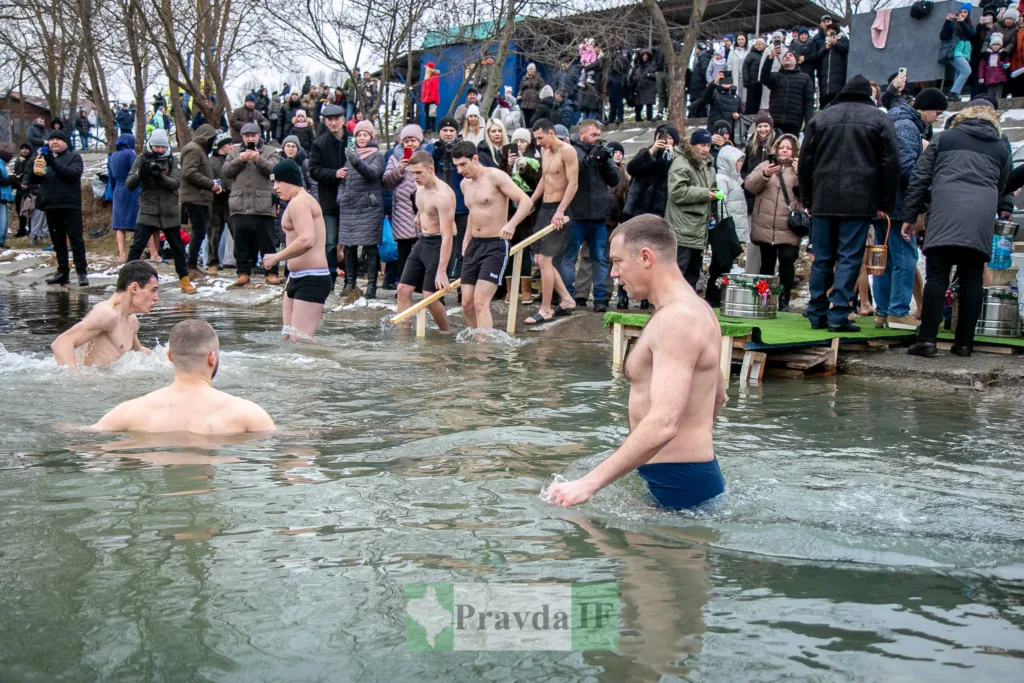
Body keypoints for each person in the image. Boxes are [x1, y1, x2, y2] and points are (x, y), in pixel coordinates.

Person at [544, 215, 726, 510]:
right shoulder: (698, 310)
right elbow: (717, 397)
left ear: (645, 257)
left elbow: (664, 423)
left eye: (617, 262)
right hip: (683, 475)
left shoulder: (677, 320)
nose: (613, 273)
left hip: (677, 482)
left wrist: (586, 484)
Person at [902, 104, 1010, 357]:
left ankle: (927, 340)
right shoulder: (1000, 147)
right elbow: (1002, 185)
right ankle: (964, 344)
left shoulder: (944, 138)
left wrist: (910, 215)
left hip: (944, 213)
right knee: (972, 279)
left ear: (962, 119)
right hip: (980, 217)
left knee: (937, 276)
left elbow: (920, 176)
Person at [799, 75, 900, 332]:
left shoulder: (820, 118)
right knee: (849, 257)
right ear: (869, 95)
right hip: (860, 200)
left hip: (822, 200)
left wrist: (808, 199)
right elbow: (890, 164)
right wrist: (885, 202)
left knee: (822, 258)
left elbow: (805, 163)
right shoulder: (879, 119)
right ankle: (839, 314)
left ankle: (816, 312)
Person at [90, 320, 276, 434]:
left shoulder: (131, 411)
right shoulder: (247, 413)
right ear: (212, 358)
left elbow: (86, 436)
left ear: (170, 356)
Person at [873, 88, 948, 331]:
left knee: (885, 259)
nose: (937, 117)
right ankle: (898, 312)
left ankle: (882, 313)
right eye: (937, 111)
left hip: (881, 203)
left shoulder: (892, 119)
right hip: (898, 204)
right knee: (905, 258)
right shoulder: (907, 126)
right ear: (923, 107)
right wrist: (919, 202)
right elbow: (908, 169)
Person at [452, 140, 534, 330]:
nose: (459, 170)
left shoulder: (496, 176)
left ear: (475, 158)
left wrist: (511, 225)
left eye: (463, 164)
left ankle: (484, 351)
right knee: (466, 304)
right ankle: (477, 340)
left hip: (495, 244)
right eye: (456, 166)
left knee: (480, 302)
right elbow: (474, 212)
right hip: (474, 245)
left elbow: (525, 201)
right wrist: (466, 241)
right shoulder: (465, 185)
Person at [259, 159, 332, 341]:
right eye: (273, 182)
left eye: (278, 182)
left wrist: (276, 257)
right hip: (295, 277)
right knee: (288, 339)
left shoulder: (299, 203)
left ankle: (336, 366)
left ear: (291, 180)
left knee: (301, 341)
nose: (275, 187)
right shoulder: (296, 201)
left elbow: (307, 239)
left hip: (312, 278)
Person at [51, 261, 160, 369]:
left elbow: (138, 352)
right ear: (134, 288)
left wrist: (166, 357)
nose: (156, 298)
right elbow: (62, 343)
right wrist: (76, 380)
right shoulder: (106, 313)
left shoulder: (132, 321)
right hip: (91, 383)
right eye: (153, 290)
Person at [560, 120, 619, 312]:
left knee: (600, 258)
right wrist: (589, 161)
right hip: (576, 214)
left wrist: (604, 163)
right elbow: (571, 176)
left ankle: (600, 298)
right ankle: (568, 296)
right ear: (582, 134)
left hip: (599, 215)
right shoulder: (572, 150)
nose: (596, 138)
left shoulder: (600, 150)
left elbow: (615, 179)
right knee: (570, 257)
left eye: (598, 135)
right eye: (593, 135)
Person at [526, 118, 580, 324]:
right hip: (545, 209)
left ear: (551, 133)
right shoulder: (545, 152)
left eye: (540, 137)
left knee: (547, 260)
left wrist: (560, 210)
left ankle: (546, 308)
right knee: (539, 259)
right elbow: (544, 179)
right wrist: (530, 202)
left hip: (560, 210)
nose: (538, 142)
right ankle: (566, 300)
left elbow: (573, 184)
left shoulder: (567, 151)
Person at [127, 129, 194, 291]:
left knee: (177, 247)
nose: (159, 150)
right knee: (137, 246)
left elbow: (175, 183)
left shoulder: (173, 160)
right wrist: (140, 173)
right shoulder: (141, 159)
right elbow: (129, 184)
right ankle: (126, 281)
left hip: (169, 210)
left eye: (162, 147)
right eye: (156, 147)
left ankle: (184, 280)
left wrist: (160, 176)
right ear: (150, 145)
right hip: (148, 208)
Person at [397, 152, 456, 332]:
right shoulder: (420, 189)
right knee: (402, 289)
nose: (415, 177)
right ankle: (403, 337)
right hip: (423, 241)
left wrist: (442, 271)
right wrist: (419, 215)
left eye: (419, 173)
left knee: (429, 297)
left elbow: (448, 235)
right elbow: (425, 207)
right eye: (412, 173)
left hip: (440, 244)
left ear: (431, 169)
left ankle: (446, 333)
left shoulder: (443, 196)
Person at [744, 135, 801, 312]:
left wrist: (801, 176)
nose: (784, 150)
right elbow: (749, 186)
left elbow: (809, 194)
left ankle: (783, 300)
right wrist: (766, 174)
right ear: (776, 149)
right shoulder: (764, 166)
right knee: (767, 263)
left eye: (789, 148)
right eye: (782, 147)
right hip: (766, 225)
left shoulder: (800, 169)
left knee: (786, 260)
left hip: (789, 226)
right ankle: (765, 299)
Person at [224, 122, 282, 286]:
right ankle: (242, 272)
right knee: (241, 242)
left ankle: (271, 272)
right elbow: (226, 171)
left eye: (253, 136)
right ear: (242, 137)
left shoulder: (270, 151)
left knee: (267, 241)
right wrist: (239, 160)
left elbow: (276, 170)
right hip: (240, 205)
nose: (251, 138)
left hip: (263, 205)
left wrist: (259, 159)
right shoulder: (234, 151)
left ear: (259, 136)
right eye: (247, 136)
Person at [30, 128, 88, 286]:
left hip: (70, 205)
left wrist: (52, 162)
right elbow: (34, 180)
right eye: (52, 139)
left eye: (58, 139)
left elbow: (72, 174)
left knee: (76, 240)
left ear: (65, 143)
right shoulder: (44, 158)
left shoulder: (74, 157)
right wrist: (35, 168)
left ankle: (82, 272)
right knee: (58, 242)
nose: (54, 142)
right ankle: (62, 272)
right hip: (51, 206)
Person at [338, 119, 385, 298]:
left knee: (370, 247)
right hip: (349, 206)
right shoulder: (350, 155)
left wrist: (356, 161)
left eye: (365, 134)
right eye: (359, 135)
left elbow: (372, 173)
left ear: (371, 136)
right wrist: (340, 197)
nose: (362, 138)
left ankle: (372, 286)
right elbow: (344, 178)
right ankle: (350, 283)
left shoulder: (377, 156)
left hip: (368, 206)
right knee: (349, 247)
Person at [665, 128, 717, 290]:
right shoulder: (681, 163)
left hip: (699, 229)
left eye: (708, 145)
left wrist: (714, 192)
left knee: (693, 273)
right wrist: (704, 194)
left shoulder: (708, 165)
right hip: (682, 228)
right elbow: (676, 192)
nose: (706, 149)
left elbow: (711, 186)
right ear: (693, 145)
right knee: (679, 270)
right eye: (702, 145)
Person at [308, 103, 349, 288]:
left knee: (351, 241)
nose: (333, 123)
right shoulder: (319, 143)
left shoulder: (354, 139)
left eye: (336, 119)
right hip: (329, 200)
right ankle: (330, 277)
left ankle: (351, 277)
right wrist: (334, 173)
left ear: (343, 120)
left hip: (351, 199)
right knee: (330, 241)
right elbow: (314, 171)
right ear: (325, 122)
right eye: (329, 120)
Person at [382, 124, 426, 293]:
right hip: (402, 209)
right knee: (403, 250)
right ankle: (404, 286)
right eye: (406, 140)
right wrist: (400, 168)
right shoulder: (395, 156)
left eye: (413, 140)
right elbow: (386, 181)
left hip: (423, 206)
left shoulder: (427, 154)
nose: (409, 143)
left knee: (423, 248)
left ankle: (422, 284)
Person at [177, 123, 222, 282]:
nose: (213, 143)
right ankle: (191, 265)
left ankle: (191, 263)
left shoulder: (199, 149)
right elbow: (189, 172)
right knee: (199, 231)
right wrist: (210, 184)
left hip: (200, 196)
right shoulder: (194, 149)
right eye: (212, 139)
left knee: (200, 231)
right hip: (194, 198)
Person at [433, 116, 471, 283]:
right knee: (441, 246)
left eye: (452, 131)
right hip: (439, 207)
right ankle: (441, 283)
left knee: (463, 247)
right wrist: (437, 151)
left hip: (461, 207)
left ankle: (462, 285)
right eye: (445, 131)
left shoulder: (464, 150)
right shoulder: (433, 149)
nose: (448, 134)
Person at [759, 48, 815, 135]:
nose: (787, 57)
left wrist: (809, 124)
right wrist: (770, 58)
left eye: (790, 55)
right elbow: (764, 77)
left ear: (796, 61)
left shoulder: (805, 78)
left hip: (794, 121)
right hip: (775, 120)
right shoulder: (776, 76)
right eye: (785, 56)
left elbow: (808, 103)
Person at [207, 134, 235, 275]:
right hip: (215, 201)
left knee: (235, 231)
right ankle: (212, 262)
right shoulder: (211, 161)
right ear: (221, 146)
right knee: (214, 233)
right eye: (228, 144)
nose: (231, 146)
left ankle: (242, 262)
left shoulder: (233, 159)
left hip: (231, 200)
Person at [940, 5, 977, 101]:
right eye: (961, 12)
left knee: (959, 73)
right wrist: (947, 21)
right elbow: (943, 36)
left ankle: (955, 96)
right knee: (966, 71)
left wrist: (963, 23)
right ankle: (953, 92)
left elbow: (972, 36)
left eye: (965, 12)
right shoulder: (953, 23)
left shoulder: (968, 24)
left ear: (968, 14)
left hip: (966, 51)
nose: (963, 14)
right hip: (955, 50)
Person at [815, 27, 850, 109]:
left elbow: (845, 49)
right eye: (828, 32)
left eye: (831, 31)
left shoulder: (843, 40)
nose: (829, 33)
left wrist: (835, 43)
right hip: (826, 79)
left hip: (839, 77)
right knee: (827, 102)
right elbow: (819, 54)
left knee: (838, 101)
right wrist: (826, 47)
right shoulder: (825, 43)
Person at [978, 32, 1009, 99]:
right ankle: (991, 105)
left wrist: (1006, 65)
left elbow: (1007, 62)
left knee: (999, 94)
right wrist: (981, 77)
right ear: (991, 45)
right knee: (990, 94)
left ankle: (999, 105)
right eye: (994, 44)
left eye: (998, 44)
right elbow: (981, 67)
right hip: (989, 78)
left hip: (1000, 78)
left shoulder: (1002, 55)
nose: (996, 46)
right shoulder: (987, 55)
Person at [630, 50, 658, 122]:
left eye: (646, 55)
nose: (645, 56)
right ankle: (638, 119)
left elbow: (655, 76)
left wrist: (649, 75)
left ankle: (649, 119)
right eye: (643, 55)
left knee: (649, 105)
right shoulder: (638, 67)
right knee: (638, 106)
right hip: (640, 88)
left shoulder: (652, 65)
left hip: (649, 88)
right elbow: (635, 76)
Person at [743, 39, 766, 114]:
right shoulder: (751, 54)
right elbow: (745, 67)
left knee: (759, 101)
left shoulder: (765, 54)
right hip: (752, 82)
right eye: (757, 44)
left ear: (764, 46)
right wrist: (746, 79)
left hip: (761, 82)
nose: (759, 46)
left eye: (760, 44)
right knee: (751, 102)